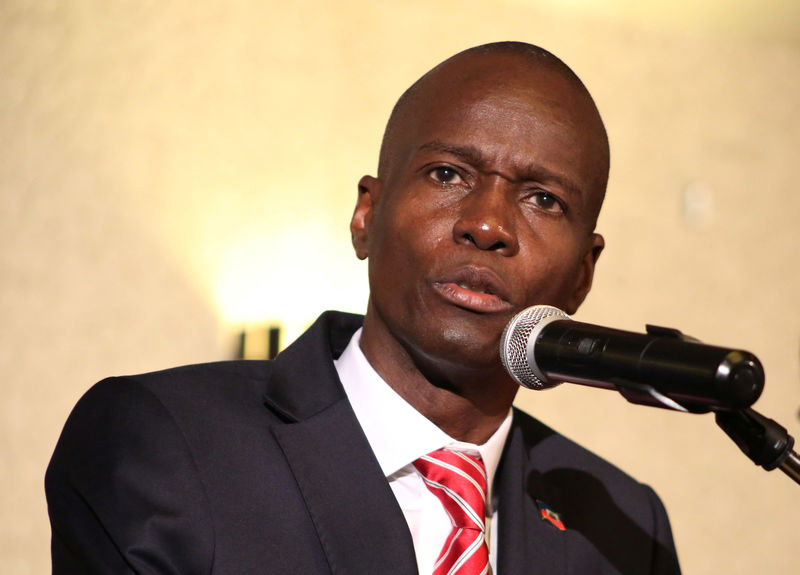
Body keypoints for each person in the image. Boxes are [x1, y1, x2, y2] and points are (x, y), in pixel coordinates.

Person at [46, 42, 681, 574]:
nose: (488, 225)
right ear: (366, 215)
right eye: (448, 174)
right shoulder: (162, 442)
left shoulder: (623, 525)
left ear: (581, 275)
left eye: (543, 200)